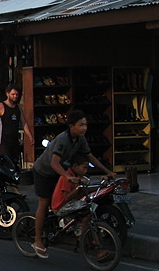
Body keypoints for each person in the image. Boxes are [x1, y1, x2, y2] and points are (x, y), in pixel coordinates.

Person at [31, 110, 114, 259]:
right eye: (81, 125)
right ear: (71, 126)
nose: (84, 128)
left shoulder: (80, 139)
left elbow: (90, 156)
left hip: (59, 171)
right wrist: (67, 176)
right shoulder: (63, 139)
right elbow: (54, 162)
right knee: (44, 204)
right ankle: (37, 240)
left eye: (85, 125)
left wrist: (108, 171)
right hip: (44, 172)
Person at [0, 83, 34, 166]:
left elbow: (24, 123)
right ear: (7, 94)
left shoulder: (18, 108)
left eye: (17, 94)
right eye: (13, 94)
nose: (15, 96)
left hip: (14, 141)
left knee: (15, 164)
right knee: (6, 164)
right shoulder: (1, 107)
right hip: (3, 142)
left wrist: (30, 136)